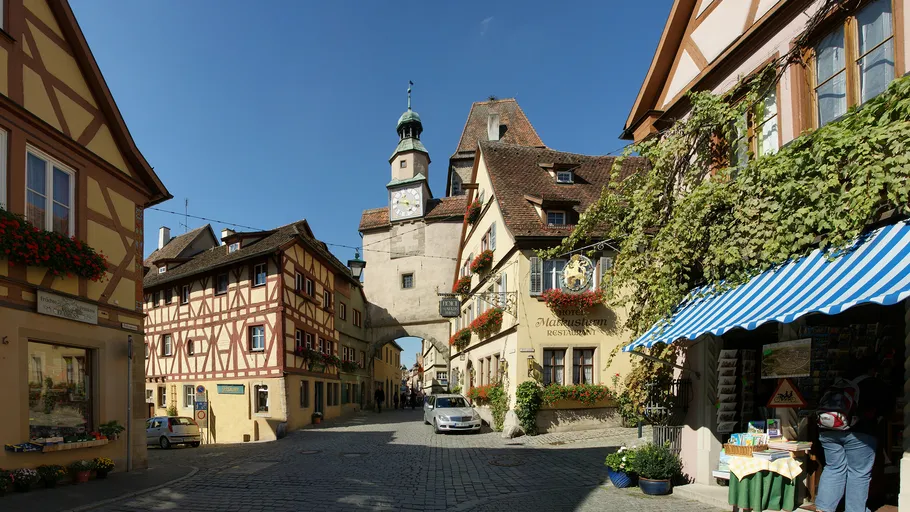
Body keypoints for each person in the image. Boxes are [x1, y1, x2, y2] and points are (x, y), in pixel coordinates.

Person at [815, 356, 891, 512]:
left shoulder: (836, 383)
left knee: (833, 468)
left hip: (828, 431)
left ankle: (823, 509)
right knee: (858, 473)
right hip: (861, 433)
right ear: (870, 369)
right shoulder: (873, 383)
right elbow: (887, 407)